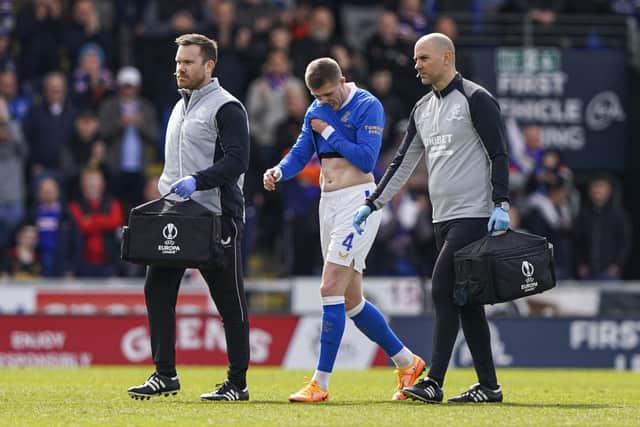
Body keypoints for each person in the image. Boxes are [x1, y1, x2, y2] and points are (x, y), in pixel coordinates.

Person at [353, 33, 511, 403]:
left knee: (442, 289)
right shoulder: (422, 108)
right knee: (468, 302)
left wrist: (501, 203)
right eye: (415, 59)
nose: (416, 65)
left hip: (474, 215)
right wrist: (373, 203)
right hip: (442, 219)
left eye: (423, 58)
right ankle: (489, 387)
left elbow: (499, 155)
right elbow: (403, 162)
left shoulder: (476, 98)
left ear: (446, 57)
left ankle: (433, 380)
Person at [263, 57, 425, 403]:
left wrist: (329, 130)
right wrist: (278, 170)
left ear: (342, 80)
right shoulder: (316, 110)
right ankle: (407, 362)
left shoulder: (367, 105)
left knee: (329, 286)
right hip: (328, 203)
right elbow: (300, 152)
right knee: (351, 300)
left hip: (358, 203)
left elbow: (367, 160)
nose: (324, 102)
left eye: (328, 95)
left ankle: (320, 383)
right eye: (317, 97)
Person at [127, 33, 251, 402]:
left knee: (229, 301)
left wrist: (197, 180)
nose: (179, 68)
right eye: (178, 62)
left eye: (187, 62)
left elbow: (237, 161)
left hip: (215, 215)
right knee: (157, 290)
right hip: (176, 214)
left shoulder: (227, 108)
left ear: (208, 65)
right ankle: (165, 375)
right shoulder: (180, 106)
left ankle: (237, 383)